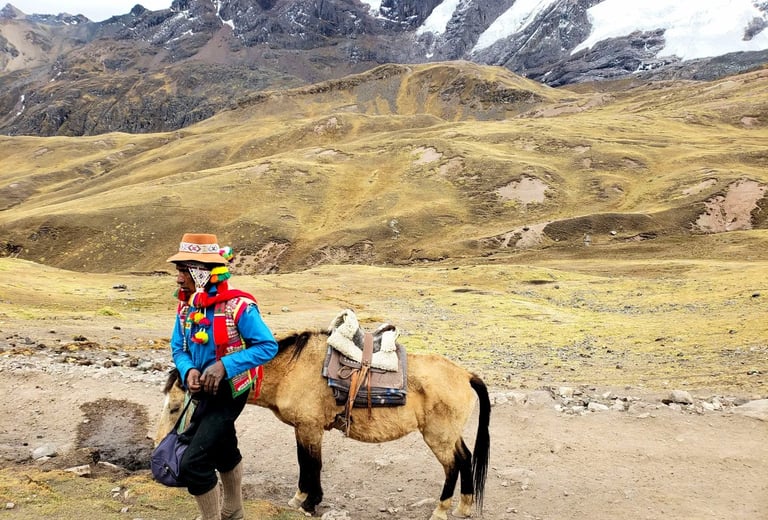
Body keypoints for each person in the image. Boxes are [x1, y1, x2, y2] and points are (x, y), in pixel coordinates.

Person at [166, 233, 278, 520]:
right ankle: (234, 511)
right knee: (224, 449)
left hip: (230, 391)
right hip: (201, 391)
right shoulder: (186, 306)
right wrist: (189, 370)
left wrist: (225, 366)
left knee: (193, 463)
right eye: (179, 270)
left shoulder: (238, 307)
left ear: (204, 273)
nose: (179, 278)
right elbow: (178, 347)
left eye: (185, 271)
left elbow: (267, 346)